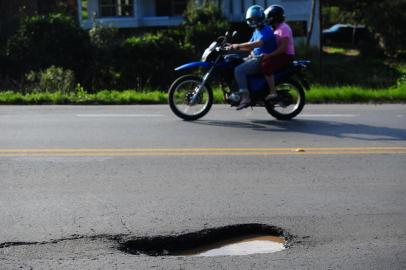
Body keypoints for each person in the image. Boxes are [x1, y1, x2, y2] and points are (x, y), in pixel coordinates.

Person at [228, 5, 276, 110]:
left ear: (261, 18)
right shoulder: (256, 31)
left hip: (261, 59)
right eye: (252, 20)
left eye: (256, 19)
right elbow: (250, 45)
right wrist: (232, 47)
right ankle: (239, 91)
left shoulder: (267, 30)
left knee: (239, 70)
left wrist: (239, 45)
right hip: (254, 57)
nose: (254, 21)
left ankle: (246, 97)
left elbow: (256, 44)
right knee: (233, 63)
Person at [262, 5, 295, 101]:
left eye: (269, 17)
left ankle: (273, 92)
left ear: (274, 17)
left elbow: (283, 48)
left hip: (286, 55)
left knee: (266, 65)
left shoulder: (283, 28)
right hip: (281, 54)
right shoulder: (276, 28)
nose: (267, 19)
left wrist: (270, 55)